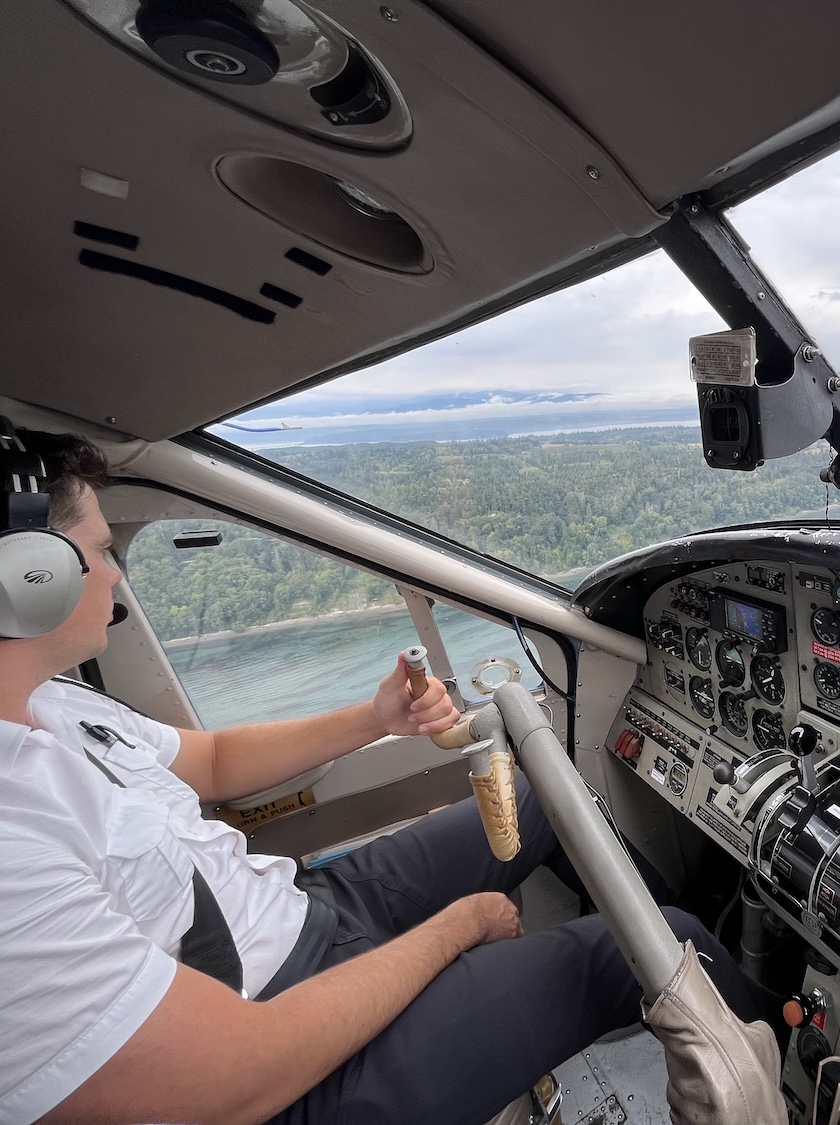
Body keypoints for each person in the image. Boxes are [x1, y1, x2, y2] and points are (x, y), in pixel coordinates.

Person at [0, 430, 777, 1125]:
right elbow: (234, 1078)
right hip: (292, 1070)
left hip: (302, 911)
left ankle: (680, 946)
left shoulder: (58, 705)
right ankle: (785, 1062)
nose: (115, 575)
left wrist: (377, 717)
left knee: (547, 799)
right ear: (28, 580)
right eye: (99, 550)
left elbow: (212, 762)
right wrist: (457, 929)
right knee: (666, 947)